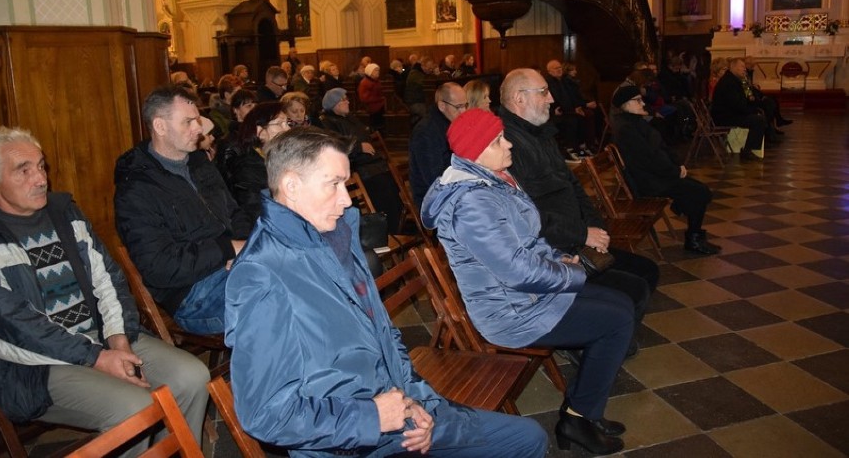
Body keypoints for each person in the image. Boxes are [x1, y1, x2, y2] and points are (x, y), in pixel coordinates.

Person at [225, 127, 548, 458]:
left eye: (346, 184)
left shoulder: (336, 236)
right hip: (346, 444)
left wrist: (418, 403)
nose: (347, 199)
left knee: (527, 438)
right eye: (334, 184)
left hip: (397, 413)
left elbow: (384, 336)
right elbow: (264, 415)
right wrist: (373, 417)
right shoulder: (262, 275)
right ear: (292, 186)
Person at [421, 110, 633, 455]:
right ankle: (577, 420)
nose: (508, 144)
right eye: (497, 141)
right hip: (511, 312)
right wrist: (573, 273)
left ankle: (583, 412)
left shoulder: (494, 179)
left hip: (529, 296)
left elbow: (527, 239)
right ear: (475, 152)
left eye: (503, 136)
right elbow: (516, 270)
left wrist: (557, 258)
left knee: (621, 304)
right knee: (616, 321)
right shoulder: (473, 201)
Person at [0, 127, 210, 455]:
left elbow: (108, 277)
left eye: (41, 166)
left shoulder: (63, 210)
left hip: (101, 341)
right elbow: (17, 327)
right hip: (36, 368)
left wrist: (118, 337)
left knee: (193, 376)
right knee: (136, 409)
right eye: (23, 171)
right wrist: (96, 357)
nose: (40, 179)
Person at [498, 68, 658, 334]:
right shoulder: (507, 147)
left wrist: (596, 229)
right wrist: (583, 234)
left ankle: (610, 333)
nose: (551, 99)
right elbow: (529, 217)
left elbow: (572, 186)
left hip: (576, 239)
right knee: (634, 288)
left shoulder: (541, 133)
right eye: (544, 92)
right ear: (519, 98)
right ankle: (598, 337)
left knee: (647, 271)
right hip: (554, 252)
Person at [114, 86, 253, 335]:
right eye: (188, 122)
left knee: (300, 273)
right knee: (279, 296)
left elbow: (234, 213)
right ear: (160, 126)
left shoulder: (199, 163)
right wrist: (228, 249)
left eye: (197, 120)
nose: (198, 129)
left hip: (233, 267)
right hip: (193, 295)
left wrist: (246, 245)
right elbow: (159, 266)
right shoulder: (136, 188)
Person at [611, 86, 721, 255]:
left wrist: (678, 165)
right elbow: (648, 159)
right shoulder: (626, 128)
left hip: (657, 174)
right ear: (626, 105)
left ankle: (686, 215)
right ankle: (694, 240)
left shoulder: (636, 121)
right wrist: (674, 171)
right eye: (638, 100)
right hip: (647, 181)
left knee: (699, 191)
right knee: (700, 192)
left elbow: (661, 146)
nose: (642, 103)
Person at [320, 87, 403, 233]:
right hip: (356, 166)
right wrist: (359, 146)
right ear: (335, 104)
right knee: (382, 187)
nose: (348, 102)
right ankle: (388, 229)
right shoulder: (328, 122)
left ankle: (397, 225)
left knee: (392, 184)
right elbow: (334, 144)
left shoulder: (348, 117)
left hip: (370, 162)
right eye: (344, 100)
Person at [222, 102, 290, 225]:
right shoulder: (247, 168)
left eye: (287, 123)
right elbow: (256, 212)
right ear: (260, 131)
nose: (288, 129)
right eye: (280, 123)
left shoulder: (284, 157)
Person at [408, 82, 468, 208]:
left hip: (454, 187)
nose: (464, 112)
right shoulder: (426, 132)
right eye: (458, 107)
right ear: (442, 105)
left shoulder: (451, 123)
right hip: (433, 200)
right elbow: (434, 179)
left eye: (465, 106)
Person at [711, 57, 767, 161]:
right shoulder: (729, 82)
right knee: (758, 120)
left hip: (732, 113)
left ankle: (754, 146)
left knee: (763, 111)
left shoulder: (737, 80)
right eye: (742, 67)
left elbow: (750, 98)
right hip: (725, 117)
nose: (745, 69)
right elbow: (737, 105)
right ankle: (747, 151)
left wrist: (752, 99)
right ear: (733, 67)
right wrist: (753, 110)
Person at [404, 56, 435, 127]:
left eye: (431, 68)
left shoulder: (423, 73)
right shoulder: (414, 74)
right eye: (429, 68)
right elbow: (426, 84)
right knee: (429, 114)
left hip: (422, 100)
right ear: (423, 66)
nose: (430, 70)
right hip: (414, 102)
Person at [358, 62, 387, 133]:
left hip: (379, 104)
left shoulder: (376, 81)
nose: (378, 72)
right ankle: (377, 132)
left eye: (378, 70)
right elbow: (364, 98)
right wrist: (380, 99)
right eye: (376, 70)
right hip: (371, 107)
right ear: (370, 72)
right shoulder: (365, 82)